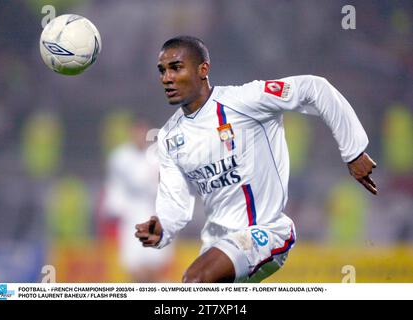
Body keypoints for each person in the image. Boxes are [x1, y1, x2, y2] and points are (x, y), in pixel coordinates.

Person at [135, 36, 377, 283]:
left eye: (176, 68)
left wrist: (353, 150)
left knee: (195, 280)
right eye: (162, 70)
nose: (167, 78)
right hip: (216, 244)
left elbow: (315, 88)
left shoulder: (244, 101)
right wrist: (163, 228)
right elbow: (175, 201)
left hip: (267, 232)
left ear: (203, 69)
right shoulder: (168, 137)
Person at [103, 120, 174, 282]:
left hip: (154, 215)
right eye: (137, 131)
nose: (140, 136)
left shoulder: (158, 156)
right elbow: (114, 186)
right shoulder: (120, 157)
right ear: (131, 132)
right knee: (134, 269)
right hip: (131, 218)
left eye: (143, 132)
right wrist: (114, 209)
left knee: (154, 270)